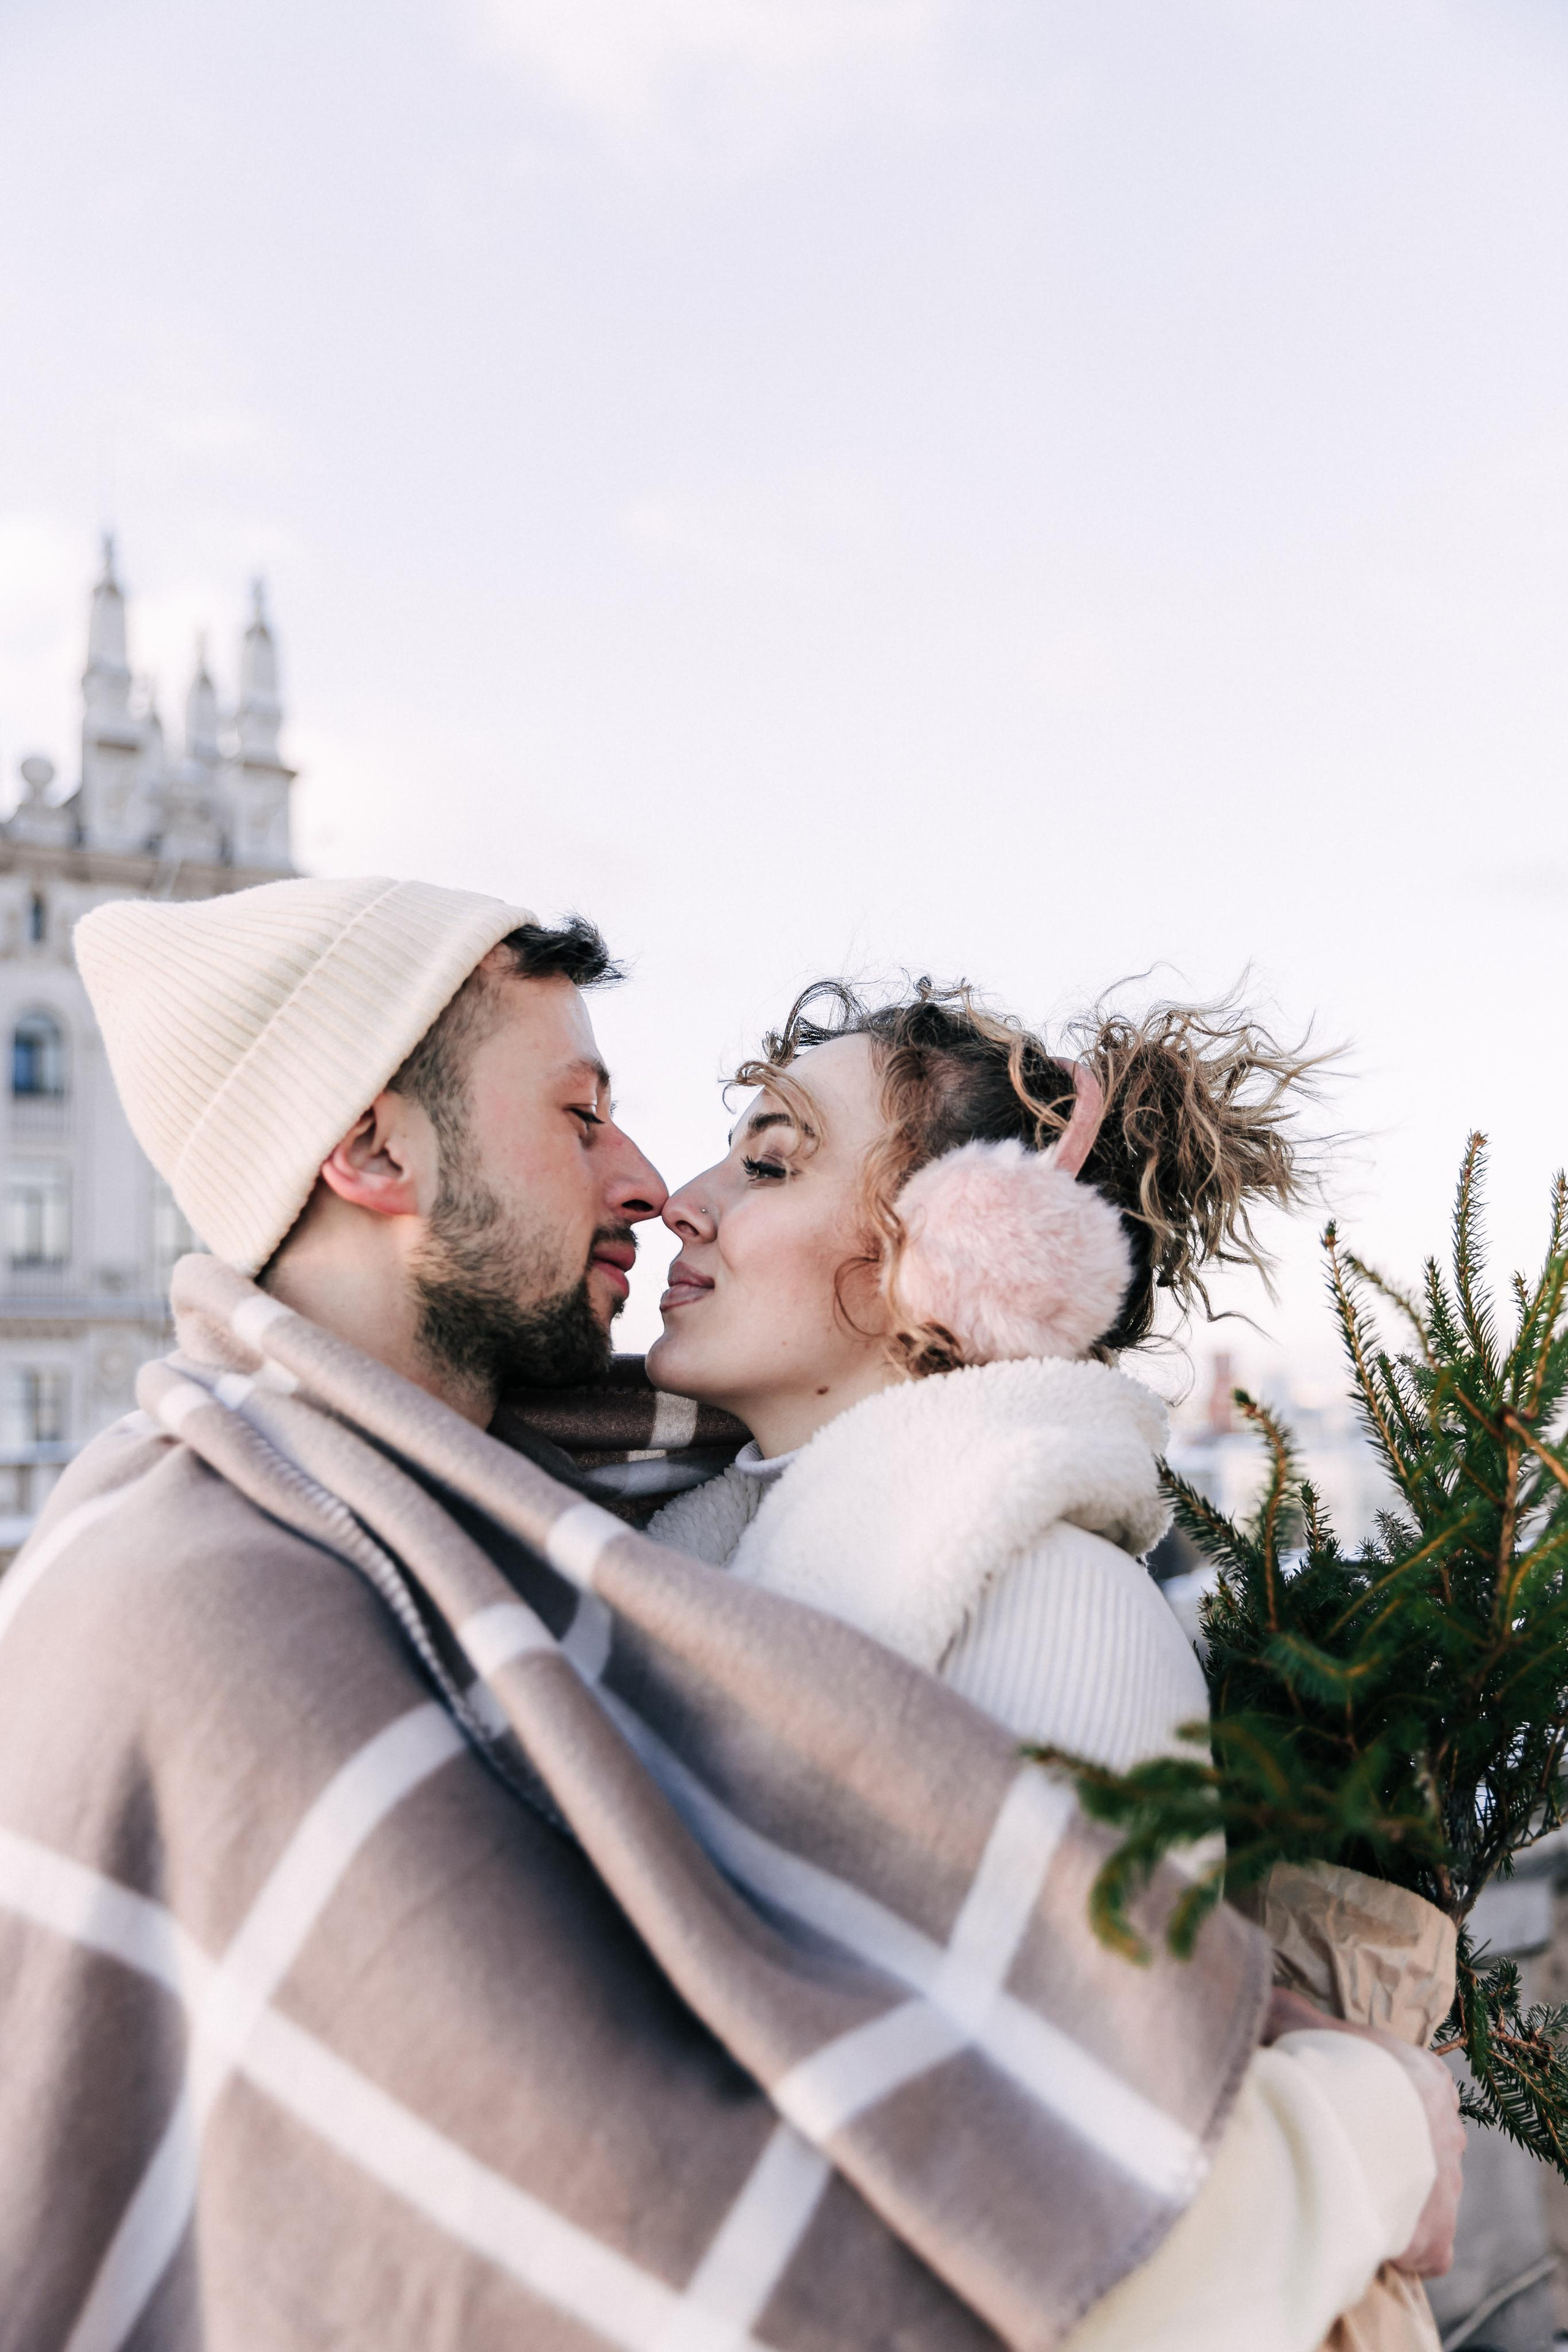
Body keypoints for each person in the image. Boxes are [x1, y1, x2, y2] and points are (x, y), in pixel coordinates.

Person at [0, 876, 1455, 2351]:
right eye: (580, 1116)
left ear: (957, 1260)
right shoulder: (263, 1602)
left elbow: (1076, 2126)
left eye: (765, 1158)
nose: (652, 1185)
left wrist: (1262, 2057)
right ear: (375, 1147)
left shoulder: (534, 1551)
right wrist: (1360, 2128)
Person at [646, 973, 1464, 2349]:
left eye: (771, 1158)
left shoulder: (1051, 1604)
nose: (684, 1194)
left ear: (966, 1257)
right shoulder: (733, 1565)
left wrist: (1370, 2131)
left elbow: (1094, 2218)